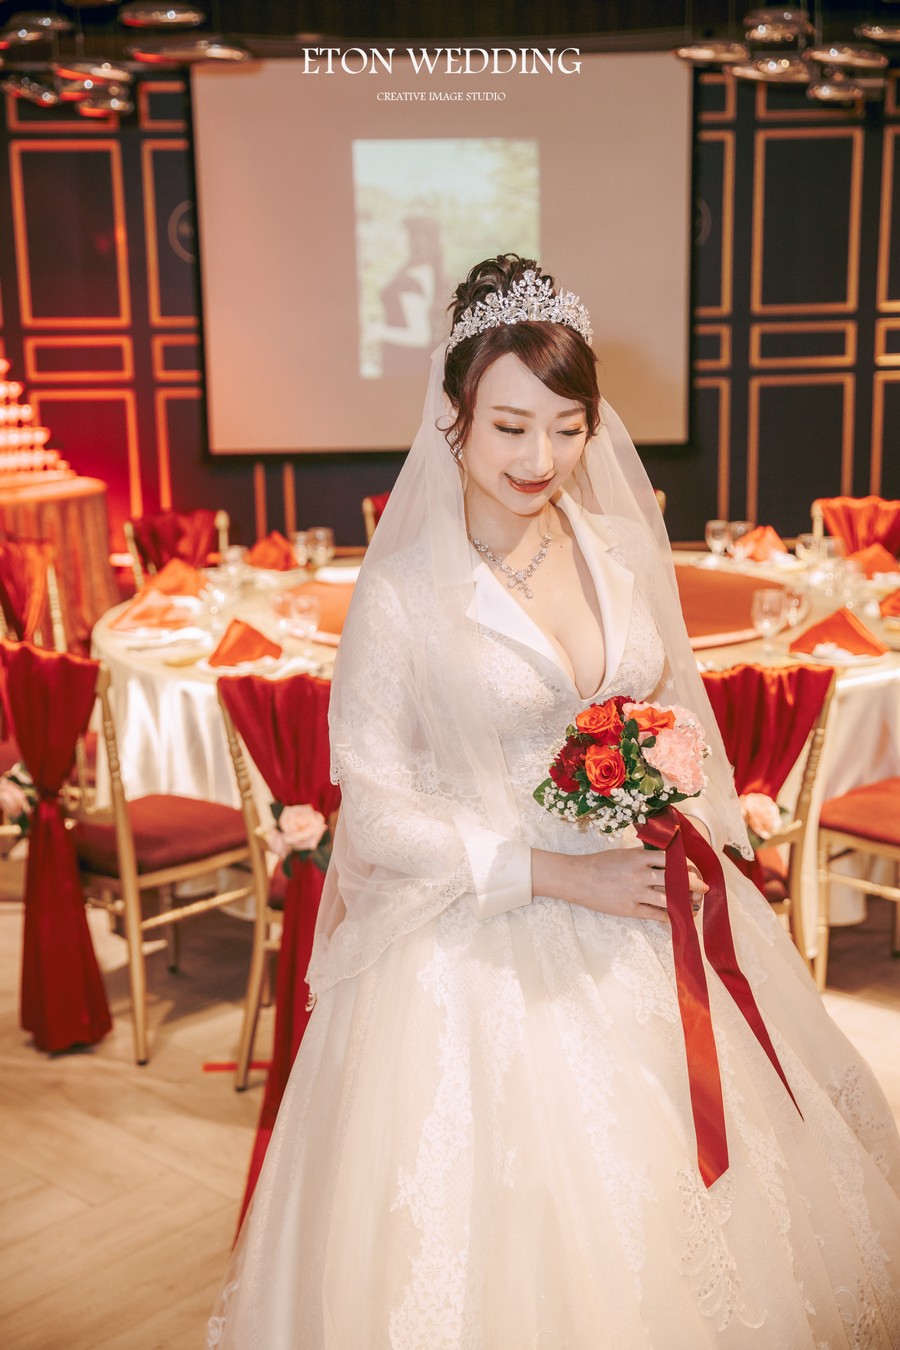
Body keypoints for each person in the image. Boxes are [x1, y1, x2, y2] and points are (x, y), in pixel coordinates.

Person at [208, 256, 900, 1348]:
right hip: (474, 936)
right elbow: (374, 812)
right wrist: (555, 873)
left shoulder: (615, 549)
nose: (541, 460)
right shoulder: (402, 593)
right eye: (510, 428)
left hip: (639, 899)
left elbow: (666, 705)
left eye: (568, 428)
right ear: (453, 417)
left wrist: (667, 790)